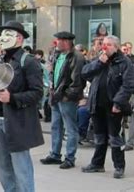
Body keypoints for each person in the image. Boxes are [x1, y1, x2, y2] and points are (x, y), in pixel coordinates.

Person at [0, 21, 44, 192]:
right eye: (1, 34)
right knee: (2, 167)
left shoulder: (29, 61)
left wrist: (12, 98)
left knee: (21, 168)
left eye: (7, 34)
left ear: (19, 38)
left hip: (18, 122)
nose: (2, 38)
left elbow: (37, 93)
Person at [81, 35, 134, 179]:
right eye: (103, 44)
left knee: (115, 138)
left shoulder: (125, 62)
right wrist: (99, 63)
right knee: (99, 137)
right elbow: (85, 72)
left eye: (108, 44)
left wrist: (118, 102)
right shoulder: (100, 59)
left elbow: (131, 84)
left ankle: (119, 166)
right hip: (97, 105)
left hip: (114, 107)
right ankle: (97, 164)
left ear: (116, 47)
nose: (104, 47)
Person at [40, 32, 85, 169]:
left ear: (66, 42)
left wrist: (68, 95)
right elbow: (54, 74)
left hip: (66, 98)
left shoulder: (77, 57)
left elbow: (77, 80)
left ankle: (70, 158)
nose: (56, 43)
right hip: (56, 96)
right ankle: (55, 154)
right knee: (56, 126)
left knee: (70, 128)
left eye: (59, 40)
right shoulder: (58, 54)